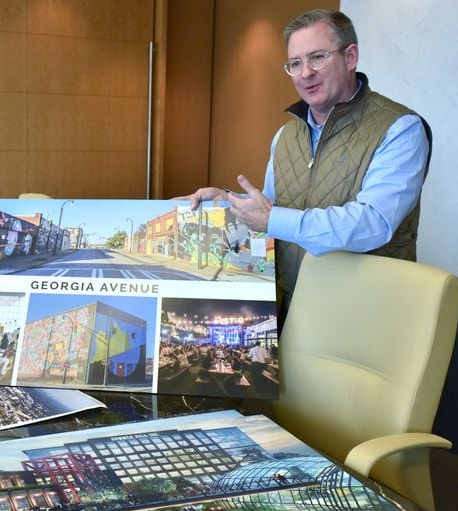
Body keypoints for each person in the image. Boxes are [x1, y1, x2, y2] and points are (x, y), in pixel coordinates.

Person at [178, 9, 431, 318]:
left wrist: (272, 219)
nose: (305, 73)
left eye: (318, 57)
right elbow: (272, 206)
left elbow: (373, 224)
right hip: (290, 304)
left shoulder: (400, 128)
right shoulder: (285, 135)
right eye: (295, 64)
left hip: (366, 314)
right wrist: (227, 201)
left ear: (350, 56)